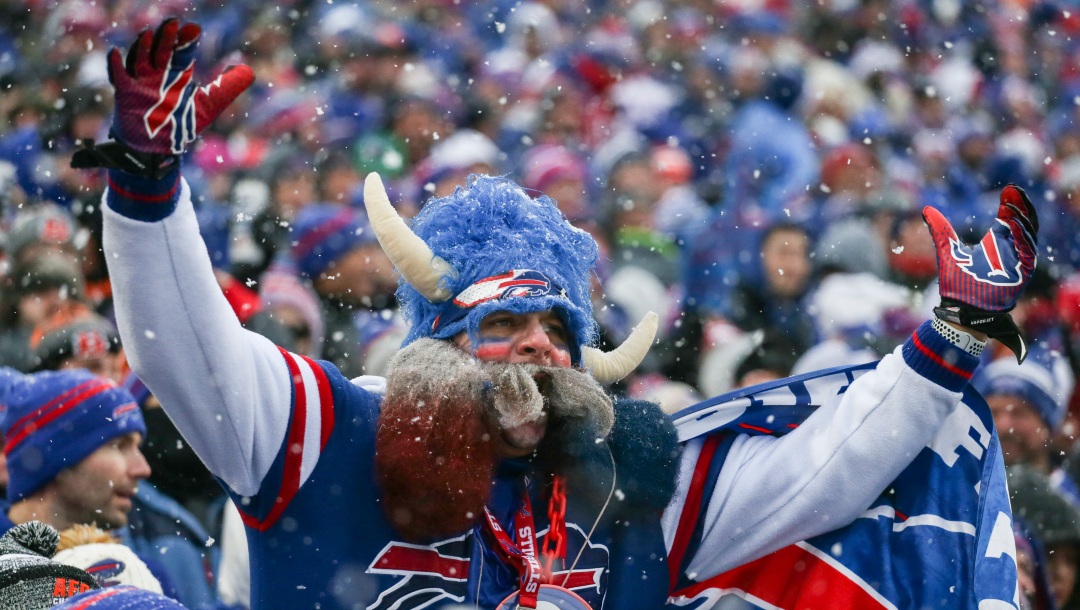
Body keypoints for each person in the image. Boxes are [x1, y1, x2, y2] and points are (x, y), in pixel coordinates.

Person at [85, 19, 1037, 609]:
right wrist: (147, 189)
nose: (537, 348)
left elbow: (826, 470)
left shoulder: (629, 490)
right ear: (438, 348)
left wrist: (948, 342)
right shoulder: (332, 436)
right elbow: (185, 352)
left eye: (558, 335)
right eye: (502, 328)